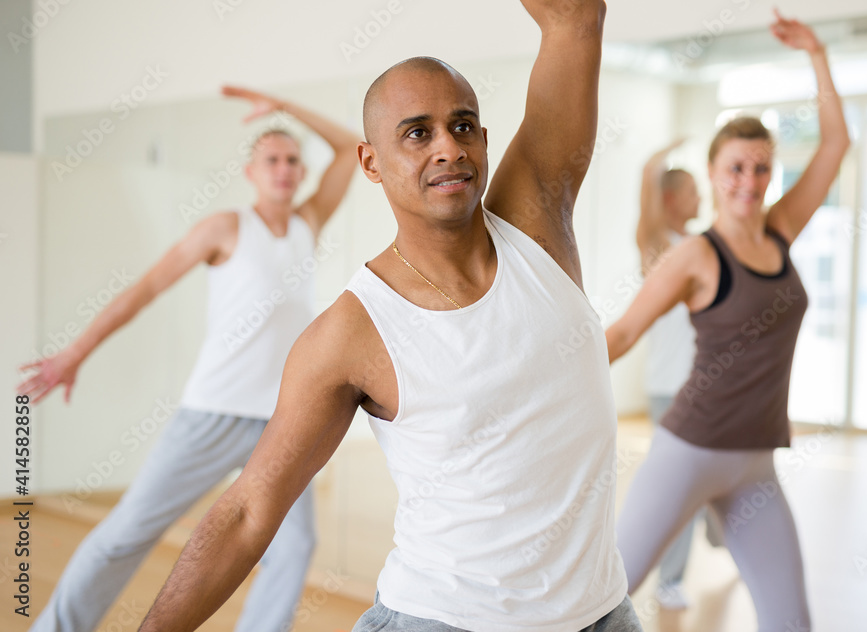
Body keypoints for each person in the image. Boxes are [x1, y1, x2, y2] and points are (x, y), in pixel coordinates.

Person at [134, 1, 640, 631]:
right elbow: (249, 510)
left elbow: (575, 18)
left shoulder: (538, 222)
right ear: (371, 162)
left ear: (485, 140)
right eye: (416, 132)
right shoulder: (350, 333)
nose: (447, 148)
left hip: (603, 614)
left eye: (462, 126)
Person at [16, 85, 360, 632]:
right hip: (213, 413)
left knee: (294, 547)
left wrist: (284, 106)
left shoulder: (307, 223)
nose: (284, 168)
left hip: (284, 419)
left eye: (293, 160)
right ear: (250, 171)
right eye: (270, 159)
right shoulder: (224, 228)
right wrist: (75, 353)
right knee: (127, 533)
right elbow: (147, 288)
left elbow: (350, 149)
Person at [605, 10, 849, 629]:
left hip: (755, 462)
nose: (750, 180)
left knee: (791, 622)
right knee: (603, 598)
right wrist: (536, 380)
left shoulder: (782, 230)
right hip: (689, 448)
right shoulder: (696, 254)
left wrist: (817, 54)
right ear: (713, 175)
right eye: (736, 167)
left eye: (762, 167)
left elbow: (836, 146)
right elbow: (626, 332)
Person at [636, 141, 704, 609]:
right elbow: (647, 184)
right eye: (694, 190)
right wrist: (661, 155)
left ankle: (725, 537)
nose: (702, 198)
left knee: (718, 482)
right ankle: (669, 579)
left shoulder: (703, 246)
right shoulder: (660, 246)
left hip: (710, 387)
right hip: (669, 388)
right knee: (683, 487)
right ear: (673, 198)